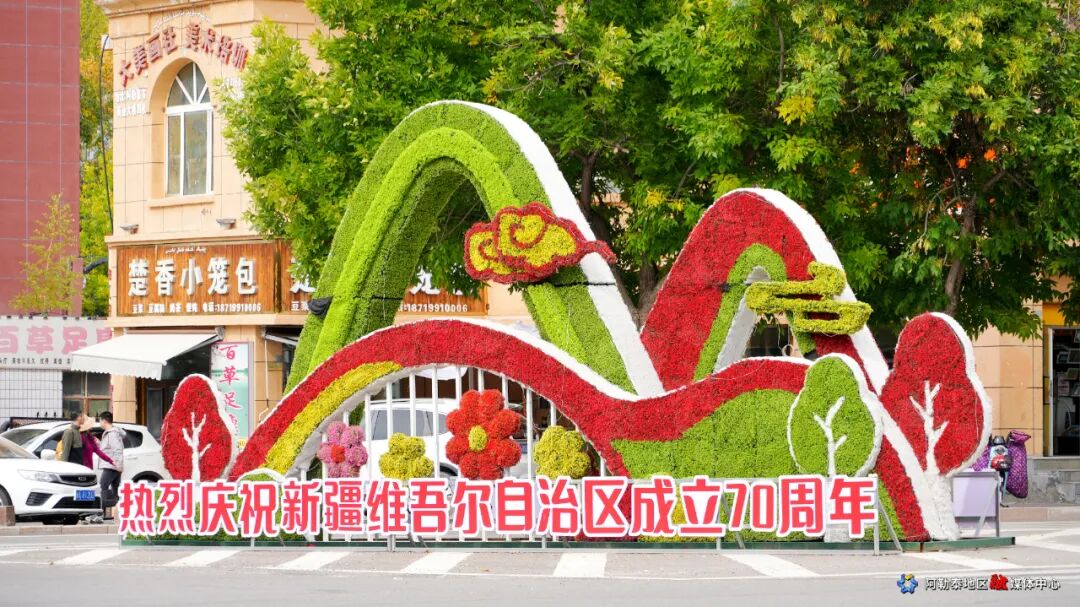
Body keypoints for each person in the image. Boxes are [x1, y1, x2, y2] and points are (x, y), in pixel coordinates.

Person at [97, 412, 125, 520]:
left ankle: (101, 513)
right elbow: (108, 448)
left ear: (104, 421)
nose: (100, 423)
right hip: (113, 465)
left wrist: (119, 465)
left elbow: (117, 450)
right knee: (115, 490)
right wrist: (99, 443)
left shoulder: (112, 434)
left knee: (103, 486)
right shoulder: (110, 433)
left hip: (112, 466)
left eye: (100, 420)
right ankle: (119, 513)